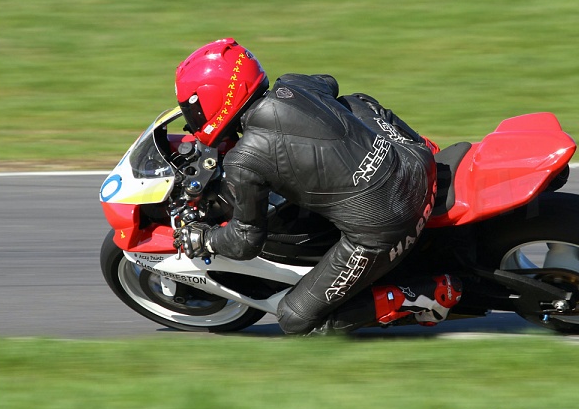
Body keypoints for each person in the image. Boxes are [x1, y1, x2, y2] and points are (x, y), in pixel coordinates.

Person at [172, 37, 462, 335]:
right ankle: (423, 146)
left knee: (295, 319)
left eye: (192, 108)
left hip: (389, 222)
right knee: (353, 101)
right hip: (417, 163)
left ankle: (424, 293)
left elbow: (245, 242)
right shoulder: (294, 85)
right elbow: (328, 83)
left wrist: (204, 239)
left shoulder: (244, 160)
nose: (190, 120)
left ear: (213, 99)